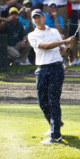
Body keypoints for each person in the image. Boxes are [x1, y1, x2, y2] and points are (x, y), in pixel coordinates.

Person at [27, 9, 75, 144]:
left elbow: (63, 52)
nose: (37, 20)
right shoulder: (32, 35)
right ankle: (54, 124)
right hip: (41, 69)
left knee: (53, 100)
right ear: (33, 21)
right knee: (42, 102)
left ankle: (56, 135)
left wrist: (69, 45)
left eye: (39, 17)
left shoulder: (54, 32)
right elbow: (45, 46)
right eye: (34, 18)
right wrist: (65, 40)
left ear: (43, 18)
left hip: (56, 68)